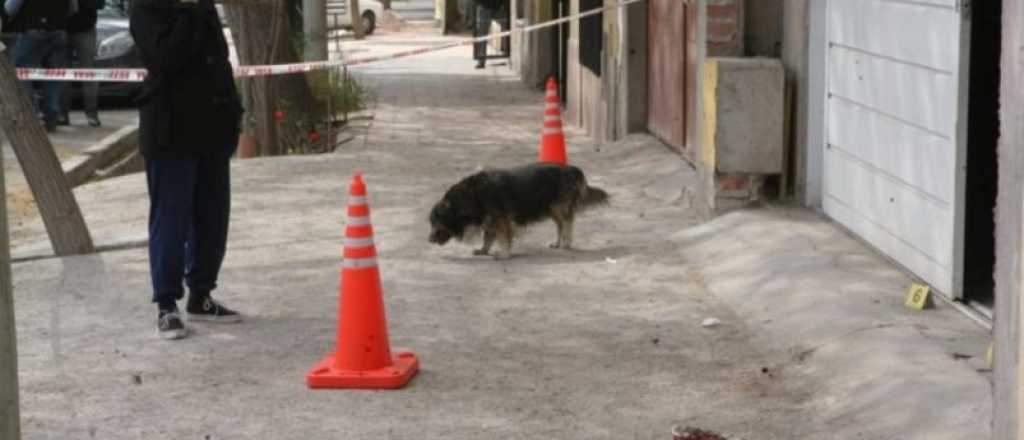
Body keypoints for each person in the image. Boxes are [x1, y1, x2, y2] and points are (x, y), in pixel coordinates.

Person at [130, 0, 245, 340]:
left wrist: (232, 113)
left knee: (212, 217)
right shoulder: (147, 7)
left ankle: (201, 294)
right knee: (171, 221)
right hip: (171, 130)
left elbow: (218, 57)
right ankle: (166, 304)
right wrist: (189, 11)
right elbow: (167, 58)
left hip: (212, 127)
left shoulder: (201, 7)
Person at [4, 0, 74, 132]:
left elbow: (9, 7)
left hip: (33, 29)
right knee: (53, 75)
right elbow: (72, 9)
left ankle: (31, 114)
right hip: (58, 30)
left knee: (21, 71)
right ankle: (51, 117)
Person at [61, 0, 105, 127]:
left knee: (88, 73)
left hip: (84, 27)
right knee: (61, 74)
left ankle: (92, 114)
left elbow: (99, 4)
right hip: (62, 28)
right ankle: (62, 113)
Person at [472, 0, 506, 69]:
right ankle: (481, 60)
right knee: (482, 35)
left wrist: (502, 4)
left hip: (498, 7)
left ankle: (507, 52)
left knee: (507, 26)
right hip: (484, 7)